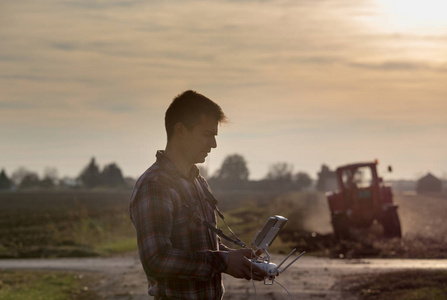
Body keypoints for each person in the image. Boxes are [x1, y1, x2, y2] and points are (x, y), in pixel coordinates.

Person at [129, 90, 268, 300]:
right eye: (207, 135)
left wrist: (231, 257)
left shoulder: (198, 181)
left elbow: (201, 244)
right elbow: (157, 259)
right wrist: (223, 262)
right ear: (180, 131)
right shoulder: (155, 185)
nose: (213, 144)